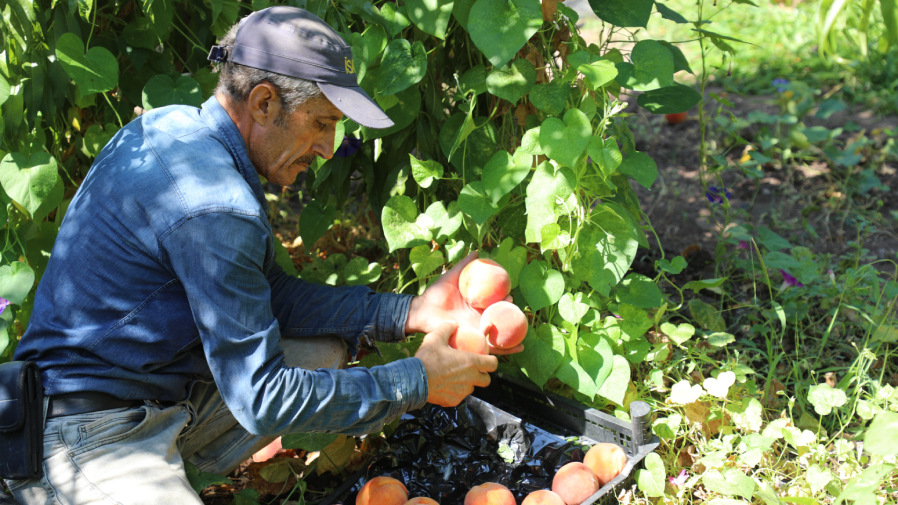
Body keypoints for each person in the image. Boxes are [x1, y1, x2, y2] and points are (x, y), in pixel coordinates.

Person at [4, 6, 521, 504]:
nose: (328, 148)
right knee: (295, 381)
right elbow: (263, 399)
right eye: (321, 123)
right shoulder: (212, 204)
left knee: (320, 355)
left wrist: (406, 313)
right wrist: (416, 380)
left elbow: (269, 295)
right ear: (264, 102)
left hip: (146, 390)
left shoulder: (175, 130)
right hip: (79, 431)